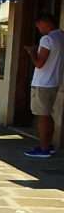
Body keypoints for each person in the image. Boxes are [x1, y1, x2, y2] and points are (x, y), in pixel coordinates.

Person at [25, 12, 64, 158]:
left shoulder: (47, 39)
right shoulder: (61, 36)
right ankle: (49, 144)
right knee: (49, 116)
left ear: (46, 23)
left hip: (42, 83)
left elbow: (39, 63)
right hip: (55, 81)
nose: (38, 28)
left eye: (39, 25)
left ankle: (43, 148)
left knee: (42, 116)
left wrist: (31, 53)